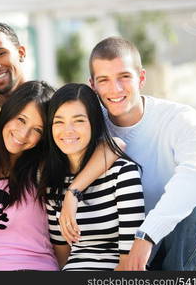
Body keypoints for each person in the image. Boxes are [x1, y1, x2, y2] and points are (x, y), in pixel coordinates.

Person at [61, 36, 196, 270]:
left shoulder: (178, 117)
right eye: (104, 80)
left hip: (191, 236)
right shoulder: (90, 125)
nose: (115, 89)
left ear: (141, 78)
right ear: (93, 85)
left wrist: (146, 234)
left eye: (124, 77)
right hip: (133, 246)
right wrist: (72, 192)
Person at [0, 22, 125, 240]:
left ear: (21, 52)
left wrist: (74, 191)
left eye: (0, 53)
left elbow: (112, 144)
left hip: (70, 235)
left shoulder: (54, 104)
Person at [42, 83, 145, 271]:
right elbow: (62, 258)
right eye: (59, 121)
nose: (68, 130)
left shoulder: (122, 173)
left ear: (94, 123)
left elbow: (129, 262)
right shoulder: (53, 184)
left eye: (79, 120)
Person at [0, 80, 58, 270]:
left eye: (37, 129)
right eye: (21, 119)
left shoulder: (44, 168)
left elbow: (113, 146)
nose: (23, 134)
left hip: (35, 269)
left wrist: (74, 191)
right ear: (9, 111)